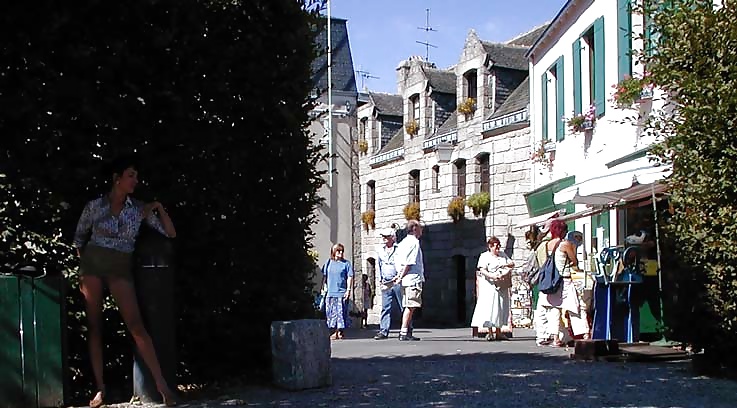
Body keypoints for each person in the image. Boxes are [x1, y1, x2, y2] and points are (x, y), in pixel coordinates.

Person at [73, 157, 177, 408]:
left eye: (137, 176)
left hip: (120, 268)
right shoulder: (95, 206)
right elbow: (78, 239)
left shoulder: (138, 209)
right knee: (94, 326)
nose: (136, 181)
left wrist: (158, 208)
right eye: (131, 175)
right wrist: (86, 265)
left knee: (136, 325)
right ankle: (100, 389)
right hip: (93, 267)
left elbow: (170, 233)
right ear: (116, 178)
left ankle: (163, 387)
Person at [471, 236, 515, 341]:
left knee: (500, 307)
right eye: (496, 246)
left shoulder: (502, 255)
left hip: (501, 285)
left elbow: (511, 264)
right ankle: (490, 332)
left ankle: (499, 331)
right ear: (490, 246)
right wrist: (492, 276)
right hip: (489, 286)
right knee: (490, 308)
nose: (498, 248)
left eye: (499, 246)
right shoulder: (484, 256)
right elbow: (482, 269)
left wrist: (504, 267)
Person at [534, 219, 566, 347]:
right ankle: (556, 336)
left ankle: (542, 335)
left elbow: (541, 262)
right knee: (555, 308)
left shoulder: (544, 245)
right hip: (556, 279)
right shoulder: (561, 243)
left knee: (542, 308)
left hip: (545, 278)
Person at [555, 230, 590, 343]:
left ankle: (559, 337)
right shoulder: (566, 245)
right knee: (575, 307)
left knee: (556, 308)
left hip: (557, 280)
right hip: (565, 280)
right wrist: (573, 249)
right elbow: (574, 261)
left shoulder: (557, 244)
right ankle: (584, 333)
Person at [394, 220, 424, 341]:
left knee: (408, 305)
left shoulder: (402, 243)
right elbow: (409, 263)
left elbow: (398, 262)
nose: (422, 231)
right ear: (415, 229)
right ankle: (404, 332)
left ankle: (407, 331)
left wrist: (399, 275)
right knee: (410, 306)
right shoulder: (414, 243)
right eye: (420, 228)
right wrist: (400, 276)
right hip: (412, 279)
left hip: (405, 280)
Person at [321, 243, 354, 340]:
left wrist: (348, 290)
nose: (340, 253)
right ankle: (333, 331)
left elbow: (350, 277)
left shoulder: (346, 264)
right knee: (331, 313)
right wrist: (322, 288)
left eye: (342, 251)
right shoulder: (328, 263)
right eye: (338, 251)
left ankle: (339, 332)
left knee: (341, 313)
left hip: (341, 292)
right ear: (333, 252)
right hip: (330, 293)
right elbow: (324, 277)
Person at [374, 228, 402, 340]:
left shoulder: (399, 249)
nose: (384, 238)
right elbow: (379, 265)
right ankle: (383, 331)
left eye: (386, 236)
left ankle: (407, 329)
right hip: (386, 281)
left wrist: (399, 277)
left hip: (397, 281)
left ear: (392, 237)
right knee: (385, 307)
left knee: (403, 306)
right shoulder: (381, 251)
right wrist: (380, 279)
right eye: (383, 236)